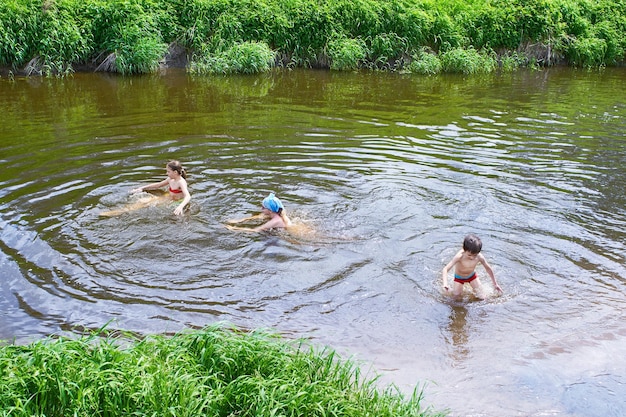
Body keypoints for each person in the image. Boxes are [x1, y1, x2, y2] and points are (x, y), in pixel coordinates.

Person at [100, 160, 190, 217]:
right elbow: (158, 185)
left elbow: (188, 196)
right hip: (168, 197)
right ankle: (121, 210)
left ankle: (119, 212)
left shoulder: (181, 182)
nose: (167, 173)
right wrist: (141, 188)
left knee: (145, 205)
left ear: (175, 172)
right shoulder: (171, 179)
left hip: (175, 201)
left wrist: (180, 207)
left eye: (168, 171)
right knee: (142, 201)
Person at [442, 234, 502, 299]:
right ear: (464, 250)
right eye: (469, 255)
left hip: (472, 276)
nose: (472, 257)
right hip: (459, 278)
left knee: (482, 297)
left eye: (475, 255)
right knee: (456, 297)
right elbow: (445, 269)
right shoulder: (459, 256)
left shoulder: (479, 257)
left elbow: (488, 268)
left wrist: (495, 284)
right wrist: (445, 284)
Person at [225, 192, 292, 232]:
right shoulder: (277, 212)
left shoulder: (275, 221)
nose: (261, 208)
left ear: (270, 211)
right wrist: (239, 220)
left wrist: (233, 228)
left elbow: (256, 230)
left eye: (263, 207)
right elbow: (258, 217)